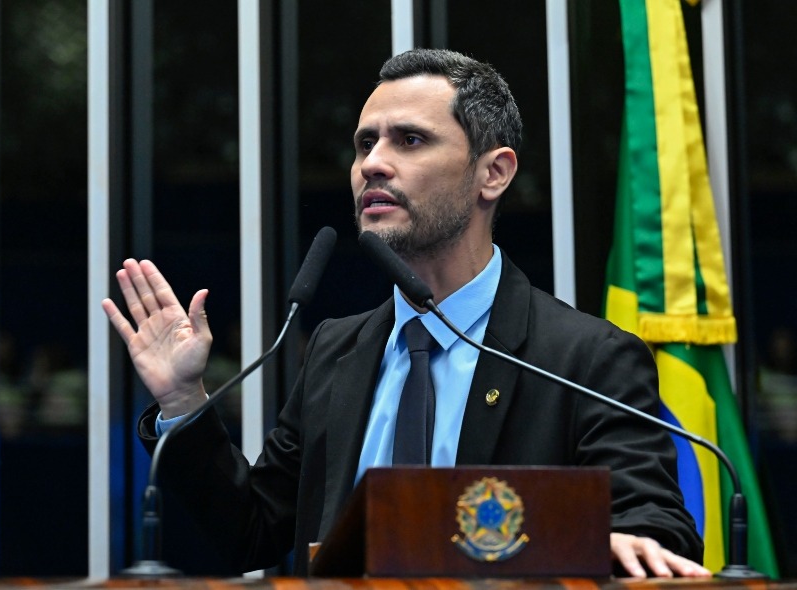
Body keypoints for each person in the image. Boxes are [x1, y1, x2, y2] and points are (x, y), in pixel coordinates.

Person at [103, 48, 709, 579]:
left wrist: (609, 542)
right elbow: (251, 532)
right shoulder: (336, 350)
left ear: (493, 173)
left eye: (410, 140)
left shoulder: (584, 357)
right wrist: (183, 400)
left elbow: (656, 527)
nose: (373, 163)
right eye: (365, 143)